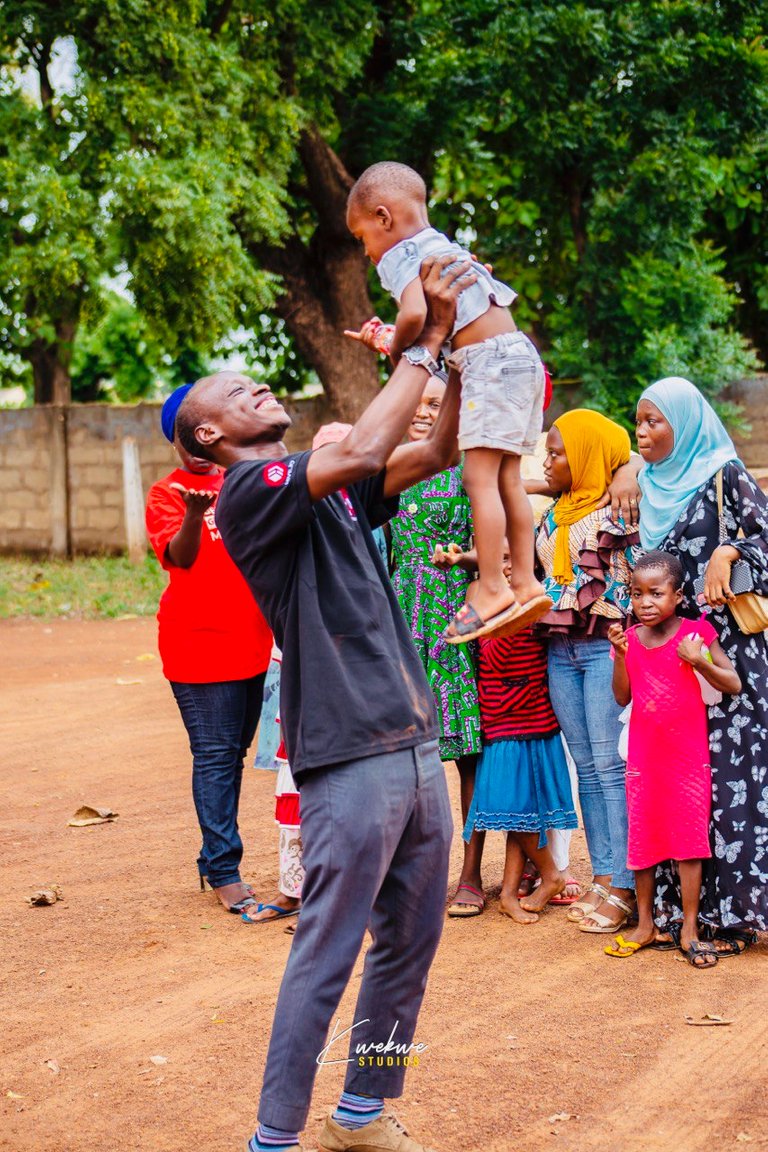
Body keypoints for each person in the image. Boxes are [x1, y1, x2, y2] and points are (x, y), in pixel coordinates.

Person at [175, 255, 475, 1152]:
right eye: (236, 390)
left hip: (413, 740)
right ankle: (274, 1136)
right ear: (208, 440)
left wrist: (452, 362)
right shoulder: (249, 493)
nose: (258, 385)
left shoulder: (328, 486)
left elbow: (432, 452)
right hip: (348, 755)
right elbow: (369, 446)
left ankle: (362, 1112)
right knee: (326, 956)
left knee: (408, 949)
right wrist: (420, 340)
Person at [345, 160, 551, 643]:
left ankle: (492, 587)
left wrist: (397, 350)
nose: (367, 252)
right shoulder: (446, 247)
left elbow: (418, 314)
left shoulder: (400, 255)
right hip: (520, 357)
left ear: (383, 217)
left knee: (477, 477)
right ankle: (523, 580)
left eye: (361, 238)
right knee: (507, 479)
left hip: (487, 365)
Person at [635, 376, 768, 946]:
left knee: (734, 776)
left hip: (730, 654)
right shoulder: (643, 483)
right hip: (670, 661)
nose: (642, 432)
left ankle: (738, 910)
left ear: (684, 424)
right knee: (684, 783)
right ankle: (690, 915)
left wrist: (730, 548)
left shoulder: (725, 474)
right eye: (638, 421)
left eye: (654, 421)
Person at [145, 385, 272, 916]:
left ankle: (213, 855)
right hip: (199, 651)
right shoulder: (166, 493)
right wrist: (196, 514)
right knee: (217, 756)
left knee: (233, 755)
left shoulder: (240, 480)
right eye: (184, 438)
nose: (196, 447)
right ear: (176, 443)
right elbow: (181, 557)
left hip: (254, 644)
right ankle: (224, 869)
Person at [606, 552, 740, 967]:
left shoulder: (696, 633)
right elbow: (622, 697)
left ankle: (689, 928)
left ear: (678, 595)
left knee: (688, 844)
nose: (644, 602)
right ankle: (644, 924)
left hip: (687, 758)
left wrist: (698, 660)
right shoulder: (630, 640)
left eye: (655, 593)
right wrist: (622, 655)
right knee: (642, 839)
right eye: (635, 594)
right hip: (644, 758)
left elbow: (732, 681)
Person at [536, 409, 641, 935]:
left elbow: (641, 462)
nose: (549, 460)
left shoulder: (620, 503)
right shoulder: (556, 511)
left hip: (605, 649)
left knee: (609, 766)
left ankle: (626, 884)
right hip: (562, 651)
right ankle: (604, 876)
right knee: (586, 767)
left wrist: (630, 465)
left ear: (585, 455)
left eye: (558, 452)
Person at [388, 376, 484, 917]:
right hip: (400, 618)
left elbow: (496, 544)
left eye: (435, 402)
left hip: (456, 618)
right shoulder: (386, 470)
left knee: (467, 752)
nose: (423, 412)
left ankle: (470, 875)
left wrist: (464, 562)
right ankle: (412, 877)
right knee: (402, 756)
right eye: (416, 402)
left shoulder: (472, 467)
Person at [463, 615, 578, 925]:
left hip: (534, 718)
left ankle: (510, 894)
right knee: (511, 807)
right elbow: (493, 656)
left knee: (522, 812)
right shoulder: (481, 601)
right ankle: (548, 875)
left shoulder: (535, 604)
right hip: (501, 722)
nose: (509, 571)